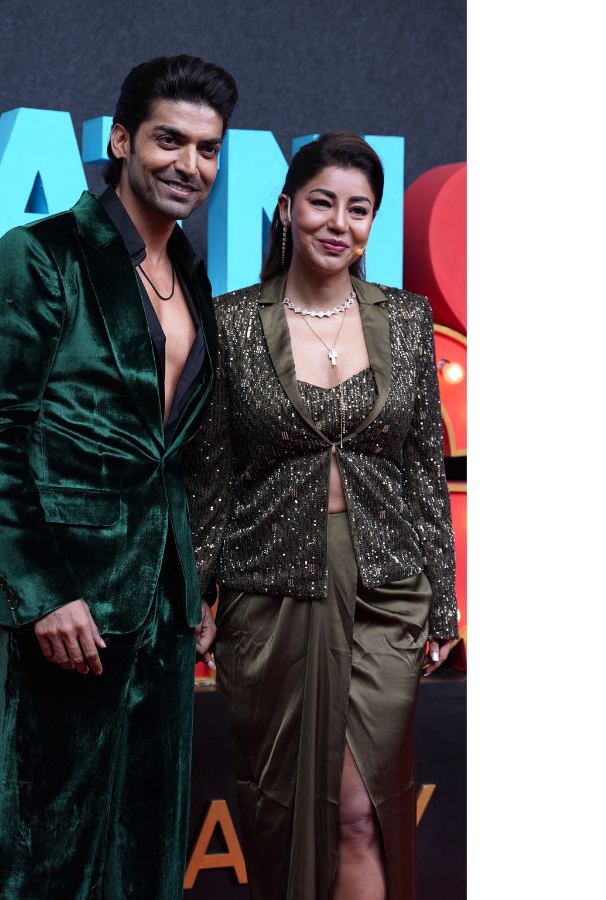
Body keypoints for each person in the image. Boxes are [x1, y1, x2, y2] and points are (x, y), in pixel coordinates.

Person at [0, 55, 238, 899]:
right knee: (40, 847)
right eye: (169, 140)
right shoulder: (41, 254)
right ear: (121, 141)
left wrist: (196, 585)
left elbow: (175, 452)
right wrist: (45, 592)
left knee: (147, 842)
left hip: (162, 601)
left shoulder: (191, 275)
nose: (190, 164)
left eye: (208, 149)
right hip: (69, 597)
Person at [186, 131, 460, 900]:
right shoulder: (233, 322)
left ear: (372, 222)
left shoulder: (405, 320)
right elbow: (210, 475)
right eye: (322, 202)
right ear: (286, 208)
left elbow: (423, 467)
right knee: (285, 818)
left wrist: (442, 596)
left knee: (362, 812)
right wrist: (195, 593)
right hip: (268, 595)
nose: (339, 222)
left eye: (359, 209)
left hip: (385, 593)